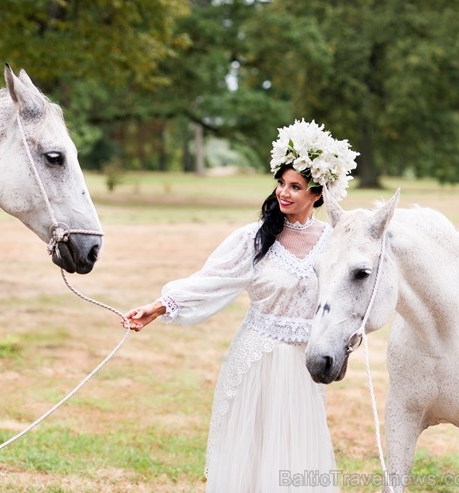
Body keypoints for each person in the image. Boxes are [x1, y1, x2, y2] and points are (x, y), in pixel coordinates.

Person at [123, 119, 359, 492]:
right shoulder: (254, 238)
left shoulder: (334, 244)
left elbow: (348, 297)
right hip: (256, 360)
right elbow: (211, 280)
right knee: (252, 449)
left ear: (317, 194)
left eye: (295, 187)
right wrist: (160, 306)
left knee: (295, 449)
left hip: (301, 366)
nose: (284, 192)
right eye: (281, 183)